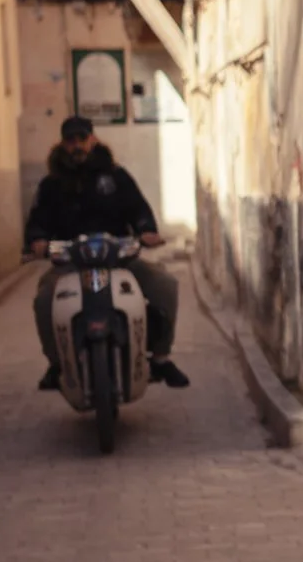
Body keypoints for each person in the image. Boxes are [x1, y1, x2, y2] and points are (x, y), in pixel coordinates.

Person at [25, 115, 189, 389]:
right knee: (44, 299)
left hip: (118, 260)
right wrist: (38, 240)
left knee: (165, 284)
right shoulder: (52, 184)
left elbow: (138, 209)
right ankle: (57, 364)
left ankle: (160, 357)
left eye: (82, 138)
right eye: (70, 140)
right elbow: (38, 221)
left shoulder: (115, 175)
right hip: (71, 263)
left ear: (93, 139)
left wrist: (146, 229)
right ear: (62, 144)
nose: (77, 145)